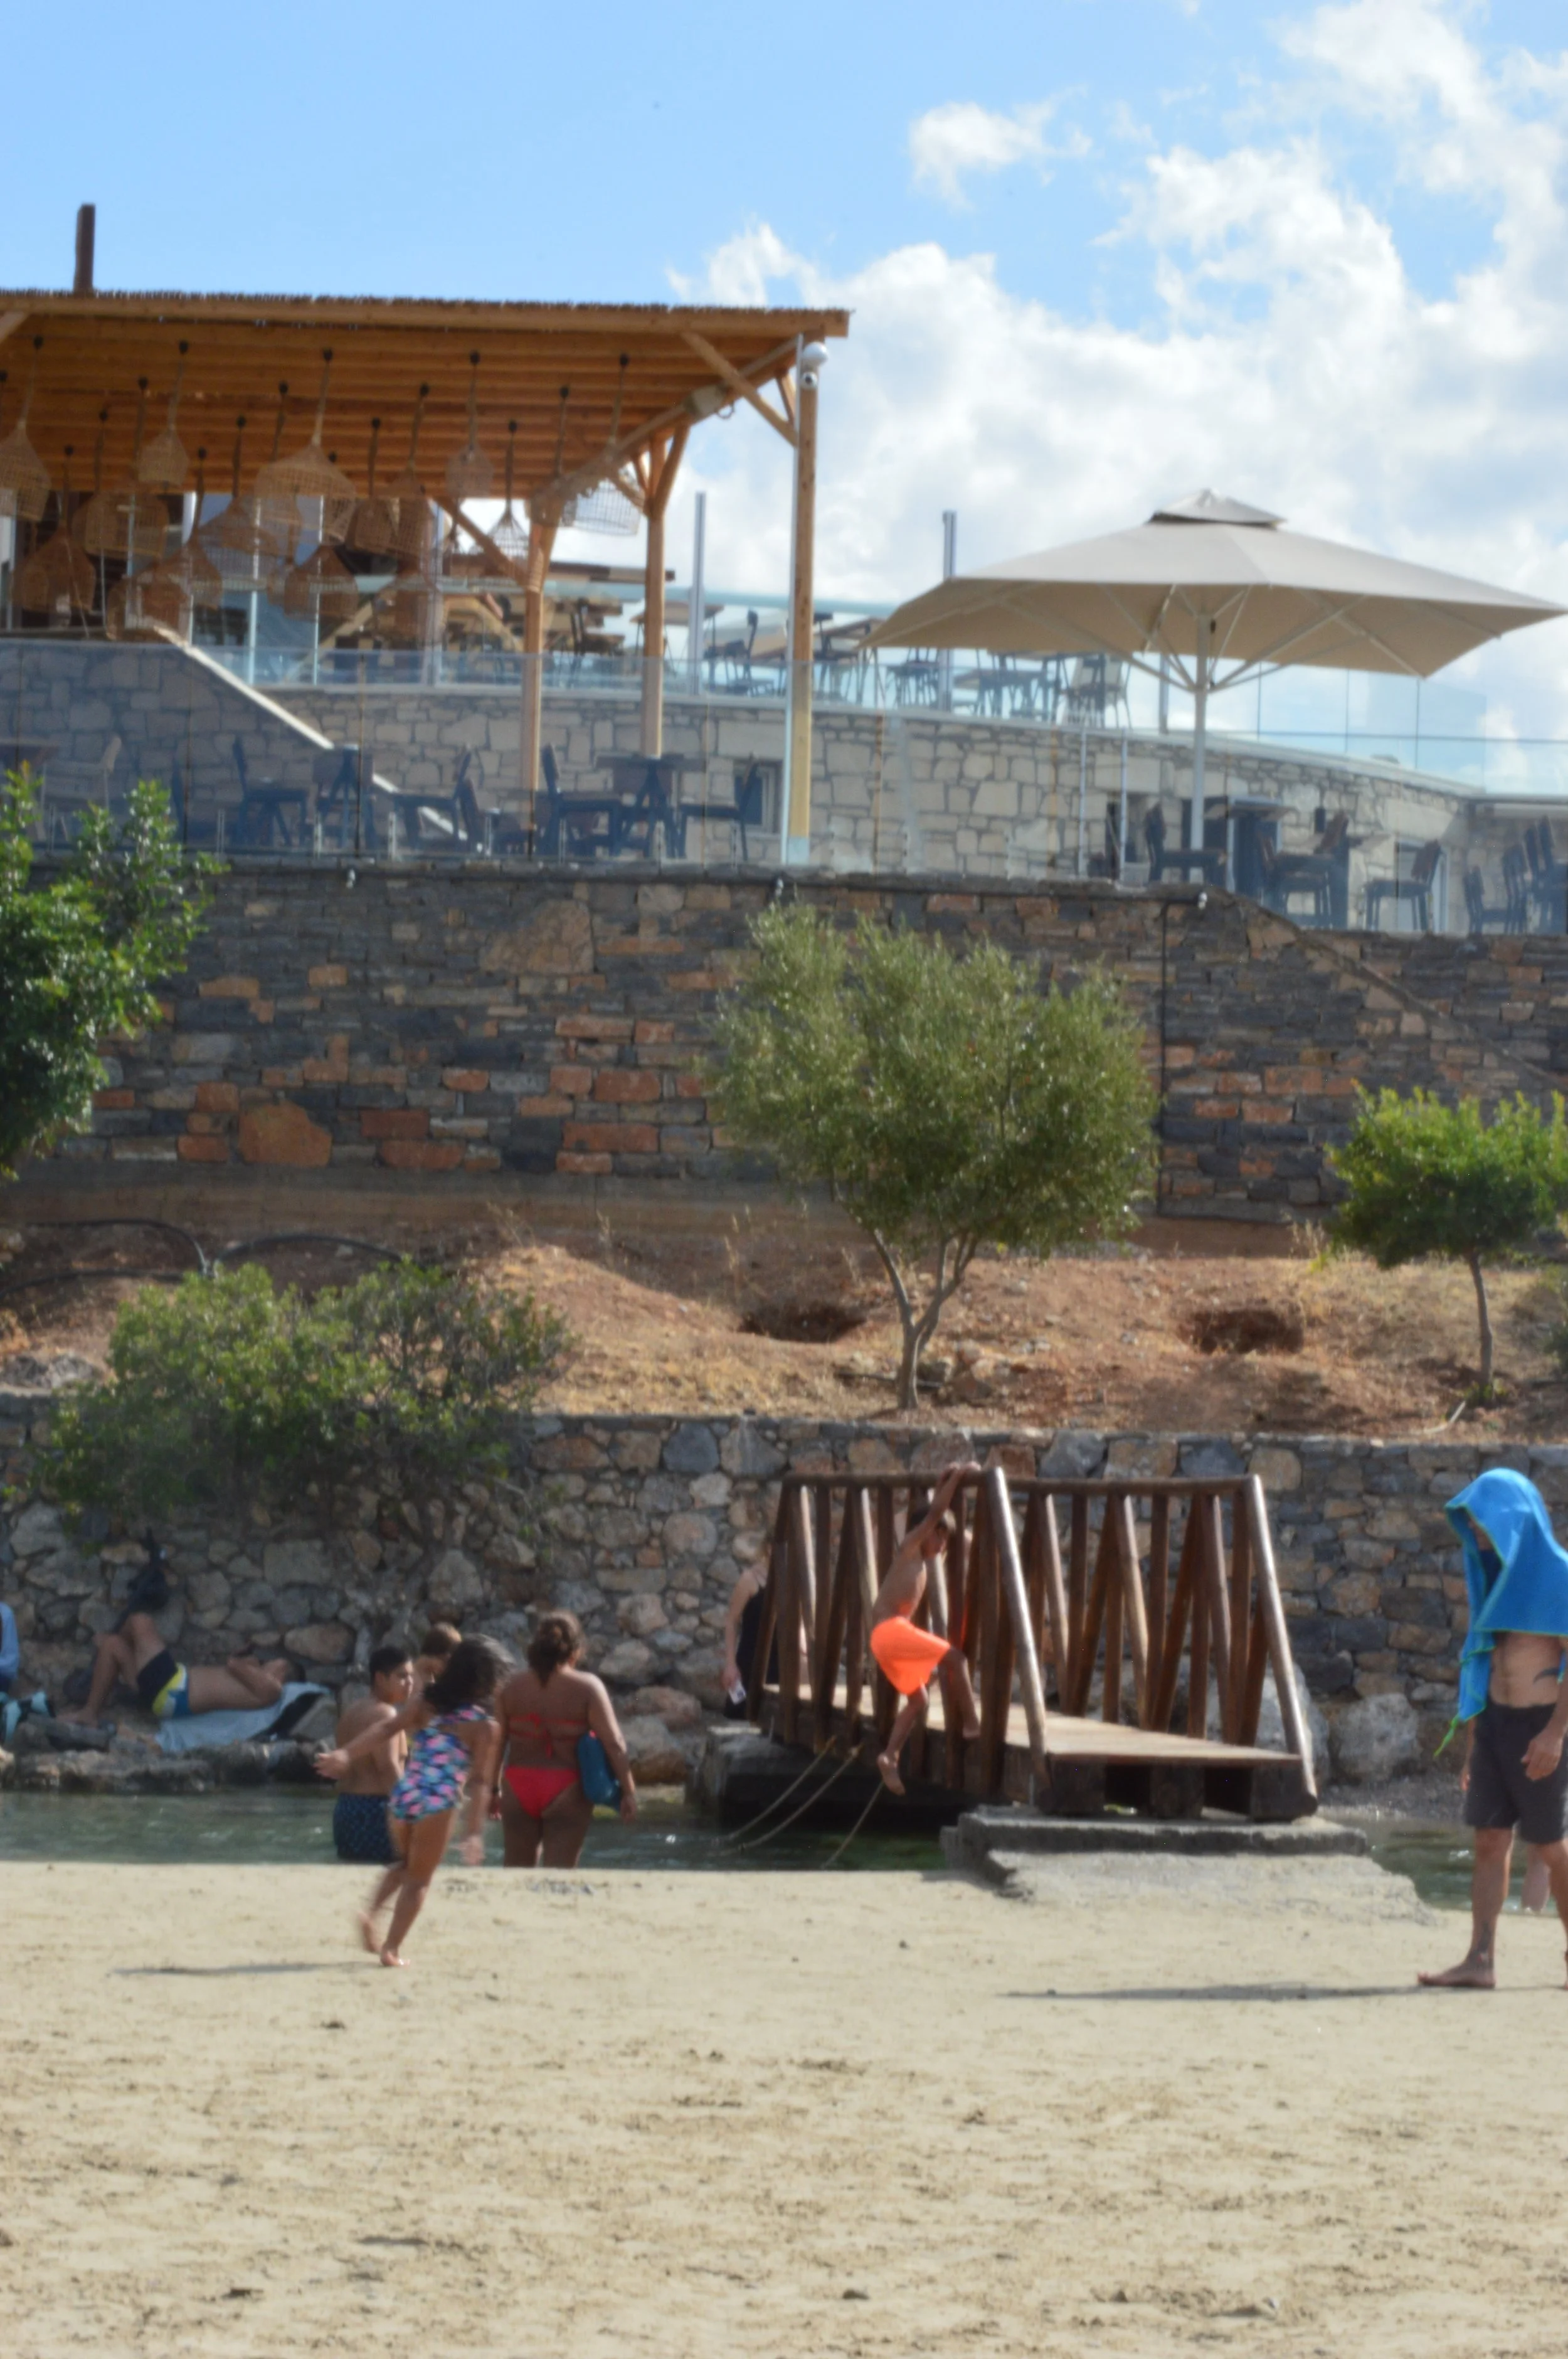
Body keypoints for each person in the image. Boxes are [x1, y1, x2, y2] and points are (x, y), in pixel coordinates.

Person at [1420, 1469, 1568, 1991]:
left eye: (1488, 1522)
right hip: (1495, 1725)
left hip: (1539, 1726)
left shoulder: (1559, 1575)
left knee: (1549, 1846)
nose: (1479, 1533)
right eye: (1475, 1524)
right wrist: (1471, 1745)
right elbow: (1482, 1666)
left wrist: (1554, 1733)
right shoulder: (1490, 1581)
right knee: (1489, 1840)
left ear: (1517, 1522)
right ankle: (1480, 1960)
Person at [315, 1635, 504, 1968]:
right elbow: (479, 1782)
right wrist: (474, 1832)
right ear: (485, 1681)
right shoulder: (484, 1727)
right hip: (439, 1802)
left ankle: (370, 1914)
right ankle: (392, 1949)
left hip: (404, 1798)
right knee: (420, 1880)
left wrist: (346, 1752)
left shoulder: (425, 1704)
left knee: (405, 1867)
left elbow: (387, 1728)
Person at [869, 1461, 983, 1796]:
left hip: (885, 1640)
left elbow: (934, 1511)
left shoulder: (922, 1561)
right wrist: (960, 1477)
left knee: (918, 1701)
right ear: (926, 1532)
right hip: (890, 1630)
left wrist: (942, 1480)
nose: (943, 1546)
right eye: (941, 1538)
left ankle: (890, 1756)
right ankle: (974, 1727)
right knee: (957, 1661)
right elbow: (934, 1512)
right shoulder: (909, 1549)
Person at [494, 1609, 637, 1868]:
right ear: (576, 1651)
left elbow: (497, 1743)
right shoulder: (588, 1687)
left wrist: (492, 1789)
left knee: (514, 1876)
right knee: (559, 1878)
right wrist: (628, 1792)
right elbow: (614, 1743)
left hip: (517, 1784)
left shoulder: (510, 1686)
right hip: (566, 1787)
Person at [65, 1611, 290, 1728]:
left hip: (174, 1689)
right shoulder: (261, 1688)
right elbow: (236, 1668)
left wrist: (248, 1660)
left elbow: (233, 1664)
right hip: (168, 1692)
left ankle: (129, 1644)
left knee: (139, 1621)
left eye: (276, 1662)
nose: (268, 1662)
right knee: (112, 1646)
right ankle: (89, 1714)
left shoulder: (273, 1688)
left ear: (284, 1672)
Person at [330, 1644, 415, 1865]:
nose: (410, 1684)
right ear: (380, 1678)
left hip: (346, 1809)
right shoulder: (385, 1713)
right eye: (402, 1676)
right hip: (376, 1811)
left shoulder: (351, 1712)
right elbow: (387, 1768)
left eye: (411, 1677)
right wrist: (410, 1814)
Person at [721, 1560, 776, 1718]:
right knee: (741, 1716)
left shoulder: (794, 1578)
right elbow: (732, 1621)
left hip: (783, 1666)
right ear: (768, 1546)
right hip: (751, 1662)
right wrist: (730, 1665)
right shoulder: (750, 1579)